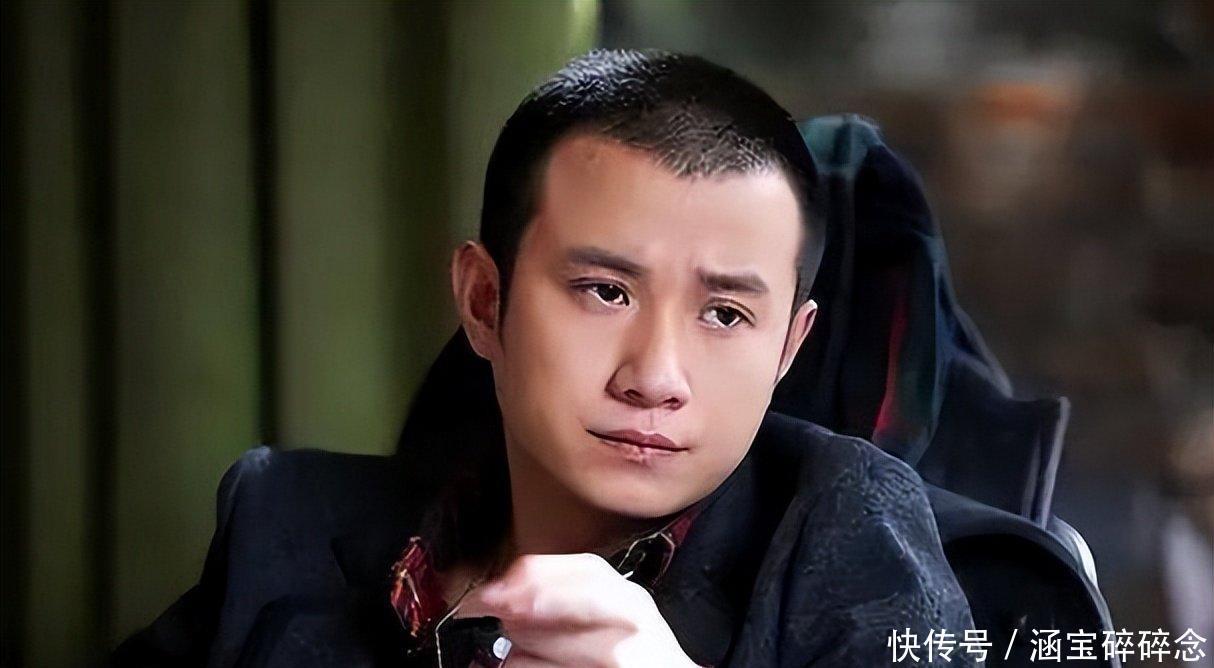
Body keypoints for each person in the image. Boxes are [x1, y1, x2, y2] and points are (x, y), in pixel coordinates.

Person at [113, 49, 975, 667]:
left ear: (789, 346)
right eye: (606, 291)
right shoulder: (283, 523)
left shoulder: (842, 528)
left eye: (724, 313)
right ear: (484, 301)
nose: (655, 378)